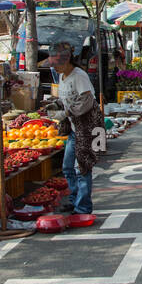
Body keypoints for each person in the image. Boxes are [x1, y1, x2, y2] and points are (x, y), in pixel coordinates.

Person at [50, 41, 102, 225]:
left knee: (82, 167)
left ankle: (83, 207)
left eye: (57, 64)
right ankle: (74, 200)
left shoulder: (79, 76)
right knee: (67, 167)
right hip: (73, 128)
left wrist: (66, 112)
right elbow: (64, 100)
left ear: (67, 61)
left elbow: (87, 101)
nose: (55, 68)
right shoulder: (62, 77)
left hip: (86, 128)